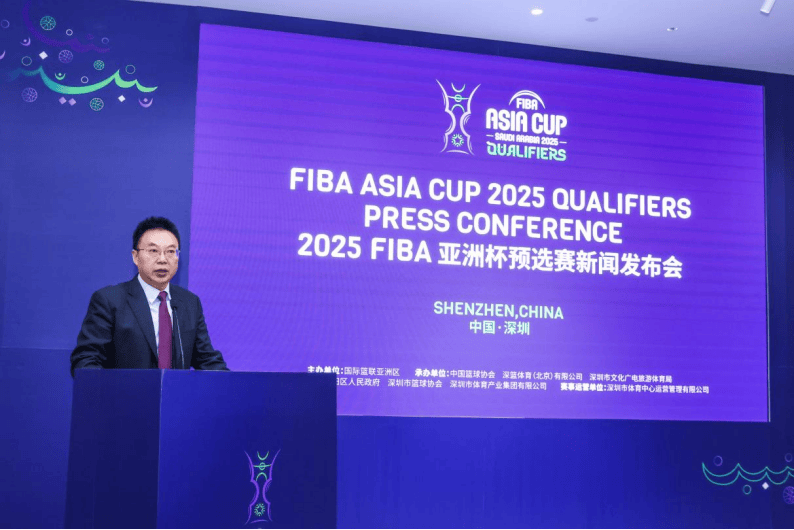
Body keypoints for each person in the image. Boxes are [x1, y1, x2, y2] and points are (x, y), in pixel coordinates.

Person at [70, 217, 228, 376]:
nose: (162, 259)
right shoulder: (110, 300)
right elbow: (86, 359)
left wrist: (232, 383)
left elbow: (207, 360)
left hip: (175, 392)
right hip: (124, 391)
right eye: (153, 251)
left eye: (170, 251)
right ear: (135, 257)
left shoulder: (189, 303)